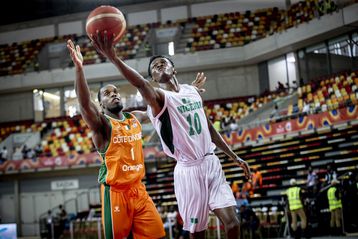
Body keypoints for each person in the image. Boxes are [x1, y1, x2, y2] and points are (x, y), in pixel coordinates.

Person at [91, 32, 251, 238]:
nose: (158, 66)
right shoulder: (159, 98)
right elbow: (140, 84)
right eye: (154, 68)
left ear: (173, 68)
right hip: (188, 170)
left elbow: (208, 127)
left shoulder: (191, 91)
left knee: (233, 223)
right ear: (153, 80)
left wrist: (233, 156)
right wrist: (113, 57)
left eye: (162, 63)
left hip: (211, 163)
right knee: (197, 233)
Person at [67, 39, 165, 239]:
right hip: (116, 194)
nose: (114, 95)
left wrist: (186, 93)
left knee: (158, 235)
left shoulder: (134, 117)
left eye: (116, 92)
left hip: (139, 190)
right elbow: (85, 103)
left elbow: (160, 105)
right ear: (101, 104)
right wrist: (79, 69)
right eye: (107, 94)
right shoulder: (102, 125)